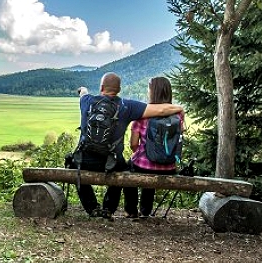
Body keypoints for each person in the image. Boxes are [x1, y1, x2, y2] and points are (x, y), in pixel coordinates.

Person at [73, 72, 184, 219]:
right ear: (119, 89)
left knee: (73, 165)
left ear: (101, 87)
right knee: (122, 169)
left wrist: (83, 90)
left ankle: (92, 207)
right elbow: (162, 110)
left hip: (85, 160)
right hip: (111, 162)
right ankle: (108, 208)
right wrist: (180, 108)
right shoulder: (127, 105)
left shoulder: (87, 101)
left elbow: (83, 93)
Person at [124, 76, 184, 218]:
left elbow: (133, 144)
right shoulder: (178, 114)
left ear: (152, 91)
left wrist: (144, 154)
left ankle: (131, 210)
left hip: (144, 166)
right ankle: (146, 210)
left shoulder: (143, 114)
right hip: (169, 167)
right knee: (149, 169)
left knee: (128, 169)